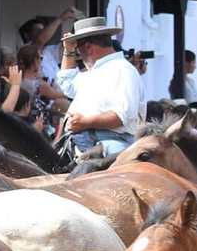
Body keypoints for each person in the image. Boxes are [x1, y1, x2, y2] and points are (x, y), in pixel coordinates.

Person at [55, 16, 144, 156]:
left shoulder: (122, 70)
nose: (78, 55)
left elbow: (122, 116)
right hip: (83, 140)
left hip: (111, 143)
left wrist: (86, 122)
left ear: (89, 47)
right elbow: (67, 84)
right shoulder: (95, 71)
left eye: (78, 49)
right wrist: (69, 51)